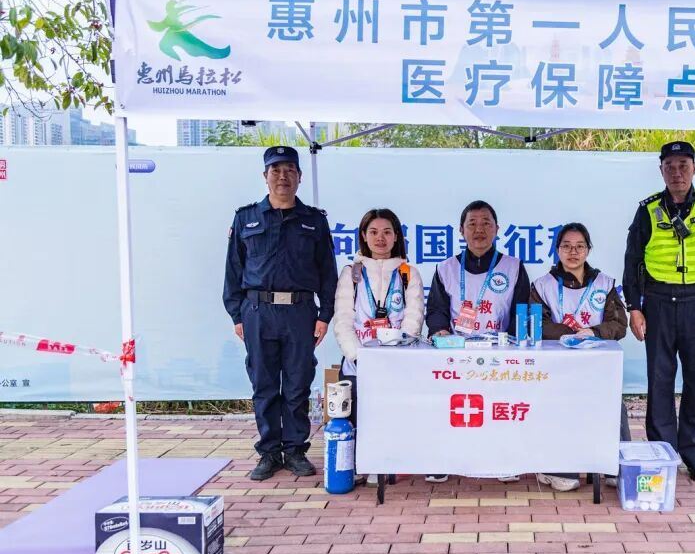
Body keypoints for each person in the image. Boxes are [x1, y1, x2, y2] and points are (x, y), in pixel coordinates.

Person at [623, 141, 695, 483]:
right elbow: (632, 262)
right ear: (661, 170)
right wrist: (634, 308)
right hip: (658, 304)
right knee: (659, 380)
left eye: (683, 166)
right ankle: (663, 452)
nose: (677, 173)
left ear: (694, 168)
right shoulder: (647, 210)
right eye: (670, 166)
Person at [224, 146, 336, 481]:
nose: (282, 177)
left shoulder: (314, 221)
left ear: (299, 177)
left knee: (298, 383)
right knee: (264, 384)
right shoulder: (246, 218)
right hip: (257, 312)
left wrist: (325, 315)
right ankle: (270, 452)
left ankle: (296, 450)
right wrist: (237, 315)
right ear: (265, 176)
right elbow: (233, 270)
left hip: (301, 312)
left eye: (289, 170)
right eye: (275, 170)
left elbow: (327, 273)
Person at [425, 200, 531, 483]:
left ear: (497, 229)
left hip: (500, 353)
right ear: (461, 230)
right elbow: (436, 310)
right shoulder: (446, 268)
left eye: (486, 223)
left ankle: (505, 461)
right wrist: (439, 331)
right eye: (472, 224)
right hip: (456, 353)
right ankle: (444, 460)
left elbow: (521, 309)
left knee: (500, 408)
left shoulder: (513, 267)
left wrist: (512, 342)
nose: (479, 230)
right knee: (453, 407)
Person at [529, 222, 630, 492]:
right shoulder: (542, 285)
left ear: (588, 250)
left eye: (579, 246)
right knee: (558, 405)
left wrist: (593, 332)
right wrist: (570, 334)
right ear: (557, 250)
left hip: (596, 363)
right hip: (557, 365)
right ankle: (560, 467)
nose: (573, 252)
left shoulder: (604, 284)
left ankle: (615, 465)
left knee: (612, 404)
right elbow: (537, 325)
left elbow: (619, 325)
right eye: (566, 246)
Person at [333, 208, 424, 484]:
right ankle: (359, 464)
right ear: (363, 236)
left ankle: (390, 462)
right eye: (373, 232)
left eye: (386, 232)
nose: (380, 238)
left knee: (392, 414)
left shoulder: (408, 273)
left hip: (396, 362)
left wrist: (396, 355)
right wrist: (357, 356)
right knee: (359, 414)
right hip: (358, 363)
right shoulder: (352, 273)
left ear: (396, 237)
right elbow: (343, 319)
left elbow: (414, 317)